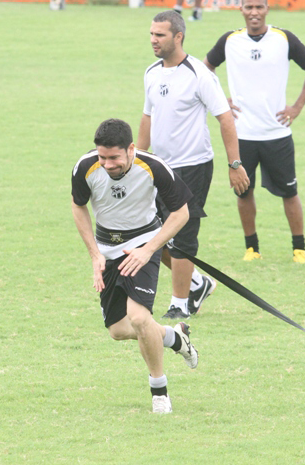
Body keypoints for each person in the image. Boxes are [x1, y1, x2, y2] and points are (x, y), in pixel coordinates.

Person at [71, 119, 199, 414]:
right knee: (117, 329)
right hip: (107, 248)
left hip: (143, 244)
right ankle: (173, 337)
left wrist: (149, 250)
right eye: (102, 157)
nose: (107, 164)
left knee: (140, 319)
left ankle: (160, 392)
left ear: (131, 149)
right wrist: (94, 255)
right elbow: (78, 206)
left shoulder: (154, 167)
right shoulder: (86, 167)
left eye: (114, 157)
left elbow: (181, 213)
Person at [139, 10, 250, 319]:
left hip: (193, 167)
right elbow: (147, 117)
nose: (153, 40)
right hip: (159, 168)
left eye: (159, 35)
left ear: (178, 37)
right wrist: (139, 160)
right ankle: (197, 283)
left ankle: (179, 303)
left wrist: (235, 164)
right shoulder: (151, 72)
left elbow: (225, 118)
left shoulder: (199, 74)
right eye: (151, 34)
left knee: (183, 237)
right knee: (151, 237)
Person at [204, 0, 305, 264]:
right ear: (241, 10)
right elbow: (204, 68)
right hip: (242, 134)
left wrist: (297, 106)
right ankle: (252, 248)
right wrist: (220, 99)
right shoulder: (230, 41)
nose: (254, 12)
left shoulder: (283, 39)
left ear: (268, 9)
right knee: (244, 192)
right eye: (249, 7)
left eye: (259, 7)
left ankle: (299, 249)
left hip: (276, 133)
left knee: (290, 193)